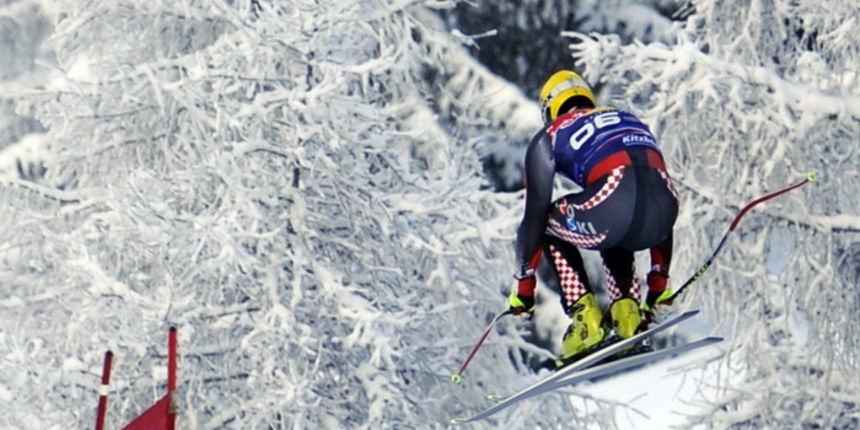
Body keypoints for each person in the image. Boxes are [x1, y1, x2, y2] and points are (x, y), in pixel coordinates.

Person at [507, 70, 679, 366]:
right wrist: (660, 280)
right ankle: (628, 316)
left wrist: (523, 285)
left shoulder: (550, 134)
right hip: (665, 212)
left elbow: (533, 219)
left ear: (550, 109)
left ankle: (585, 320)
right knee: (616, 228)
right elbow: (652, 189)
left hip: (613, 202)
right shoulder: (627, 118)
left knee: (549, 224)